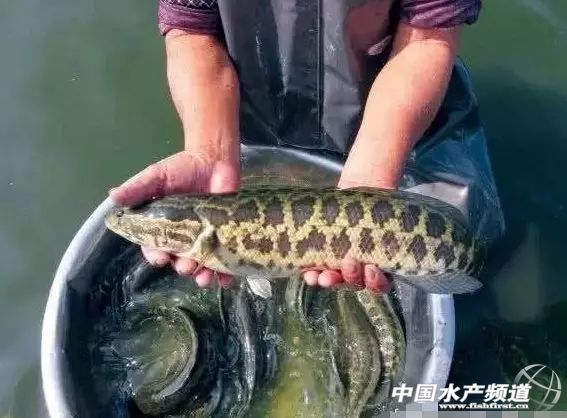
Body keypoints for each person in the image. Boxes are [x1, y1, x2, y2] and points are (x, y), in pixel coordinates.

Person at [110, 0, 502, 293]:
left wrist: (371, 173)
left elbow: (427, 38)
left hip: (400, 113)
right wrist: (209, 150)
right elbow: (191, 30)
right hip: (255, 116)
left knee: (474, 247)